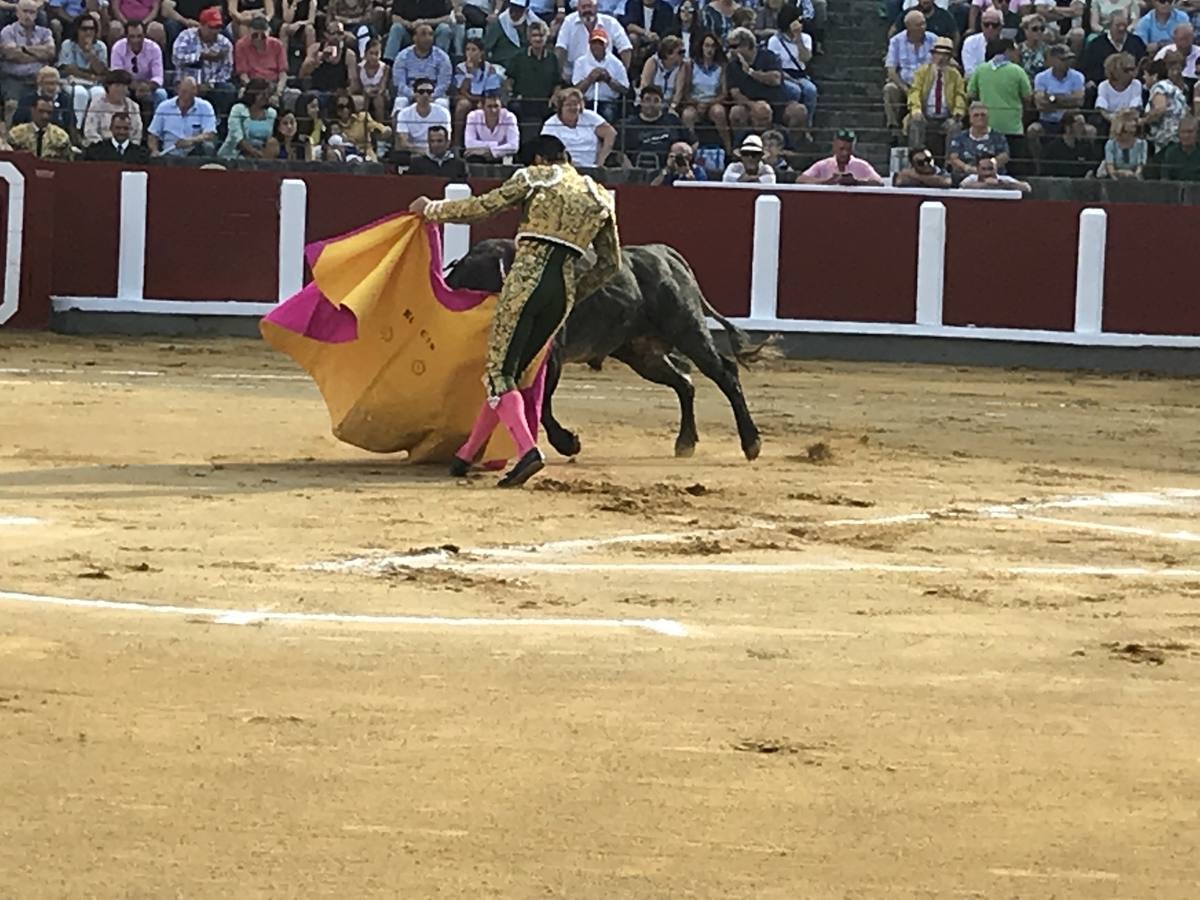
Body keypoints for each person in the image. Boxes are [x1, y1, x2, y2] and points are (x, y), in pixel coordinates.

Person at [410, 133, 622, 487]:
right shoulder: (599, 197)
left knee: (497, 373)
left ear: (539, 159)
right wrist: (574, 291)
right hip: (562, 291)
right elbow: (610, 264)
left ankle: (528, 451)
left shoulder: (535, 177)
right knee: (512, 372)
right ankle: (466, 454)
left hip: (526, 280)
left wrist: (432, 209)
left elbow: (483, 206)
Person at [796, 127, 884, 184]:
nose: (845, 153)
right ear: (834, 147)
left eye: (848, 150)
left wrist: (856, 182)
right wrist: (825, 181)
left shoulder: (862, 165)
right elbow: (800, 179)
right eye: (841, 149)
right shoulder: (823, 165)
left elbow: (879, 182)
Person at [83, 109, 151, 159]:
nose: (121, 132)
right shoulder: (96, 151)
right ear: (111, 128)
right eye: (118, 128)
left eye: (125, 128)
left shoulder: (141, 154)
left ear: (130, 129)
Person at [959, 152, 1031, 190]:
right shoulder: (971, 178)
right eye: (983, 169)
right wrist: (987, 184)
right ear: (977, 169)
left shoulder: (1004, 179)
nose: (987, 173)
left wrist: (1000, 183)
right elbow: (963, 186)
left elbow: (1026, 187)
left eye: (990, 169)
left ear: (996, 168)